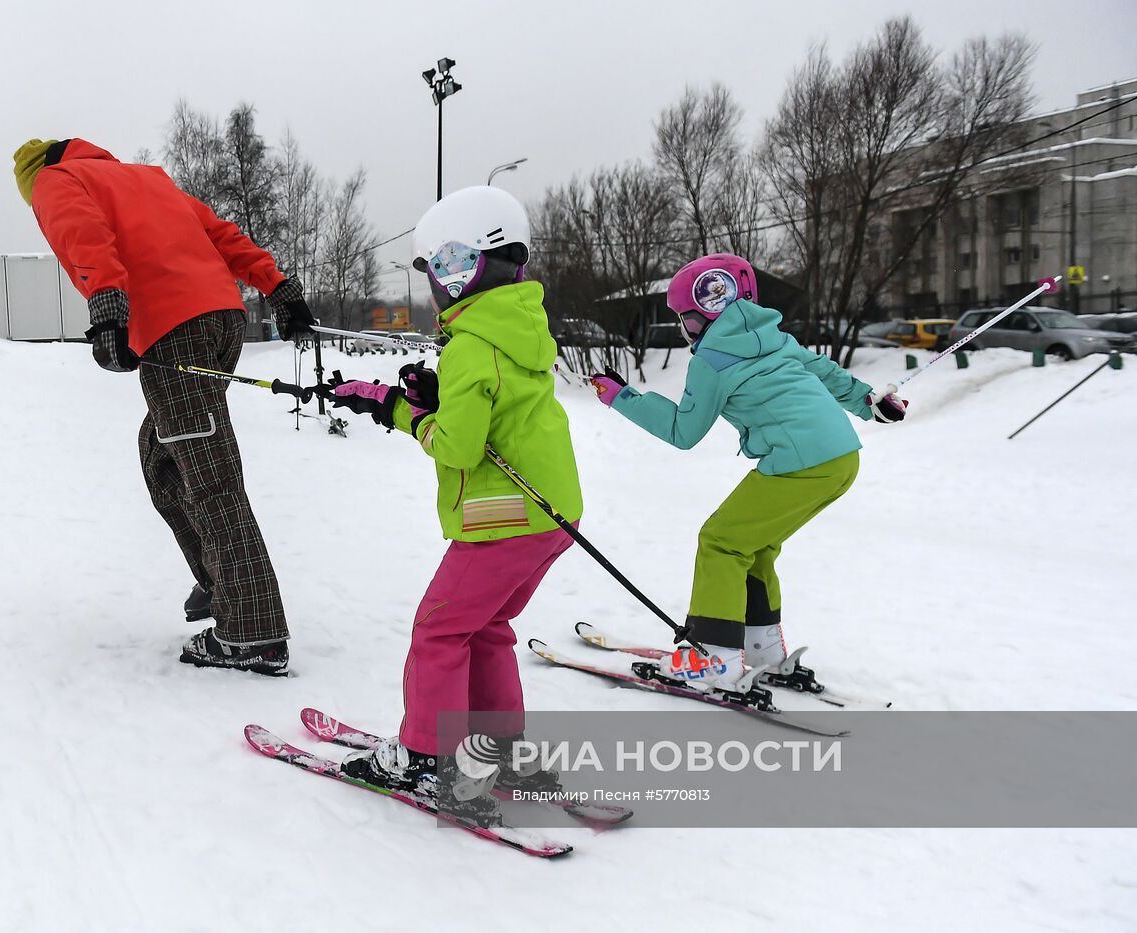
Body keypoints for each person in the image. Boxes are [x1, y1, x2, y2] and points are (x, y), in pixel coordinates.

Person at [323, 186, 582, 824]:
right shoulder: (518, 328)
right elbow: (494, 407)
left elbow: (460, 448)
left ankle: (426, 760)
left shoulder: (470, 345)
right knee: (486, 626)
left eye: (447, 268)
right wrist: (434, 397)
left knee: (439, 630)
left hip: (504, 517)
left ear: (475, 267)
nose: (440, 284)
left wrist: (408, 413)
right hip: (553, 516)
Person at [12, 137, 316, 676]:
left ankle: (252, 633)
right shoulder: (146, 179)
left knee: (209, 476)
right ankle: (222, 581)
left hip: (174, 331)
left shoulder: (55, 182)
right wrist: (278, 287)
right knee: (162, 452)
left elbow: (84, 237)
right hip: (222, 322)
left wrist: (107, 309)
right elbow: (223, 236)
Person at [590, 254, 907, 695]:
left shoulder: (712, 361)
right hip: (840, 458)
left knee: (720, 541)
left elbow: (683, 431)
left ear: (701, 317)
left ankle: (714, 659)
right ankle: (762, 651)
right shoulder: (774, 338)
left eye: (686, 319)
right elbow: (825, 373)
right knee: (754, 544)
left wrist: (621, 398)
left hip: (800, 463)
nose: (686, 330)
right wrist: (870, 402)